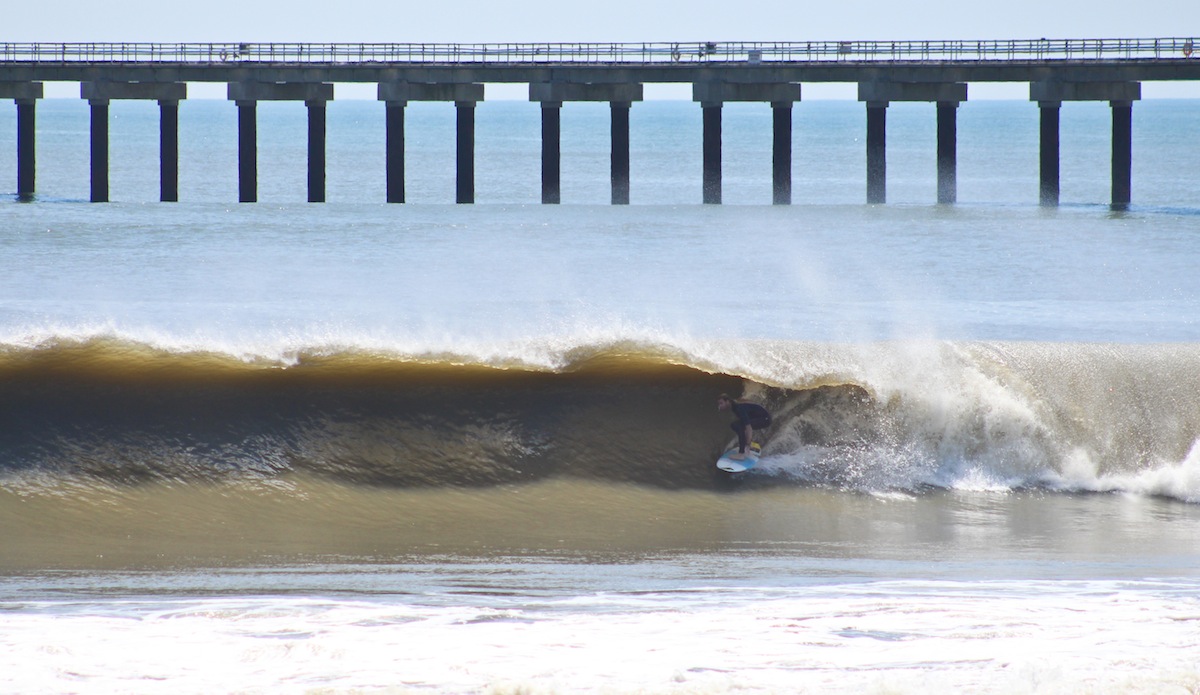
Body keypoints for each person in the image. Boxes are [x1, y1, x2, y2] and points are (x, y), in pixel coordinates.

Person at [717, 394, 771, 460]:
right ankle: (746, 446)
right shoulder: (734, 404)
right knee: (737, 425)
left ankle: (741, 454)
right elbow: (749, 402)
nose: (719, 406)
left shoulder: (738, 408)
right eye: (719, 404)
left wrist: (747, 445)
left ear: (727, 401)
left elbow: (749, 428)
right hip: (761, 417)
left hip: (765, 419)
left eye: (721, 403)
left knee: (738, 426)